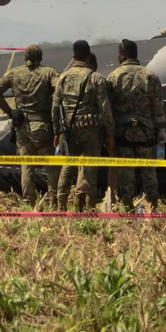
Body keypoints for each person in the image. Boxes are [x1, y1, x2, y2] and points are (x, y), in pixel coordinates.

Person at [0, 44, 60, 205]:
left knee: (26, 166)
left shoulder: (14, 73)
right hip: (42, 125)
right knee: (51, 165)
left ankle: (28, 202)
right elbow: (60, 88)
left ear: (25, 58)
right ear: (40, 57)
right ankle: (52, 200)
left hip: (21, 126)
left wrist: (10, 112)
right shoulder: (49, 73)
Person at [52, 41, 114, 212]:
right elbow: (105, 109)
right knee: (90, 167)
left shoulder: (62, 78)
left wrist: (57, 131)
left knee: (68, 165)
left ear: (73, 57)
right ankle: (86, 205)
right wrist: (110, 133)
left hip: (69, 131)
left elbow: (55, 107)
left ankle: (61, 204)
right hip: (91, 131)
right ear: (88, 56)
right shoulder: (96, 78)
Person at [105, 39, 166, 205]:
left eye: (118, 53)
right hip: (146, 133)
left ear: (123, 54)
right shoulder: (150, 75)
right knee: (148, 170)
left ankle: (127, 207)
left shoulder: (113, 77)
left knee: (126, 171)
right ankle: (153, 204)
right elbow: (158, 104)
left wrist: (109, 134)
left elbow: (108, 109)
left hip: (123, 135)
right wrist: (161, 129)